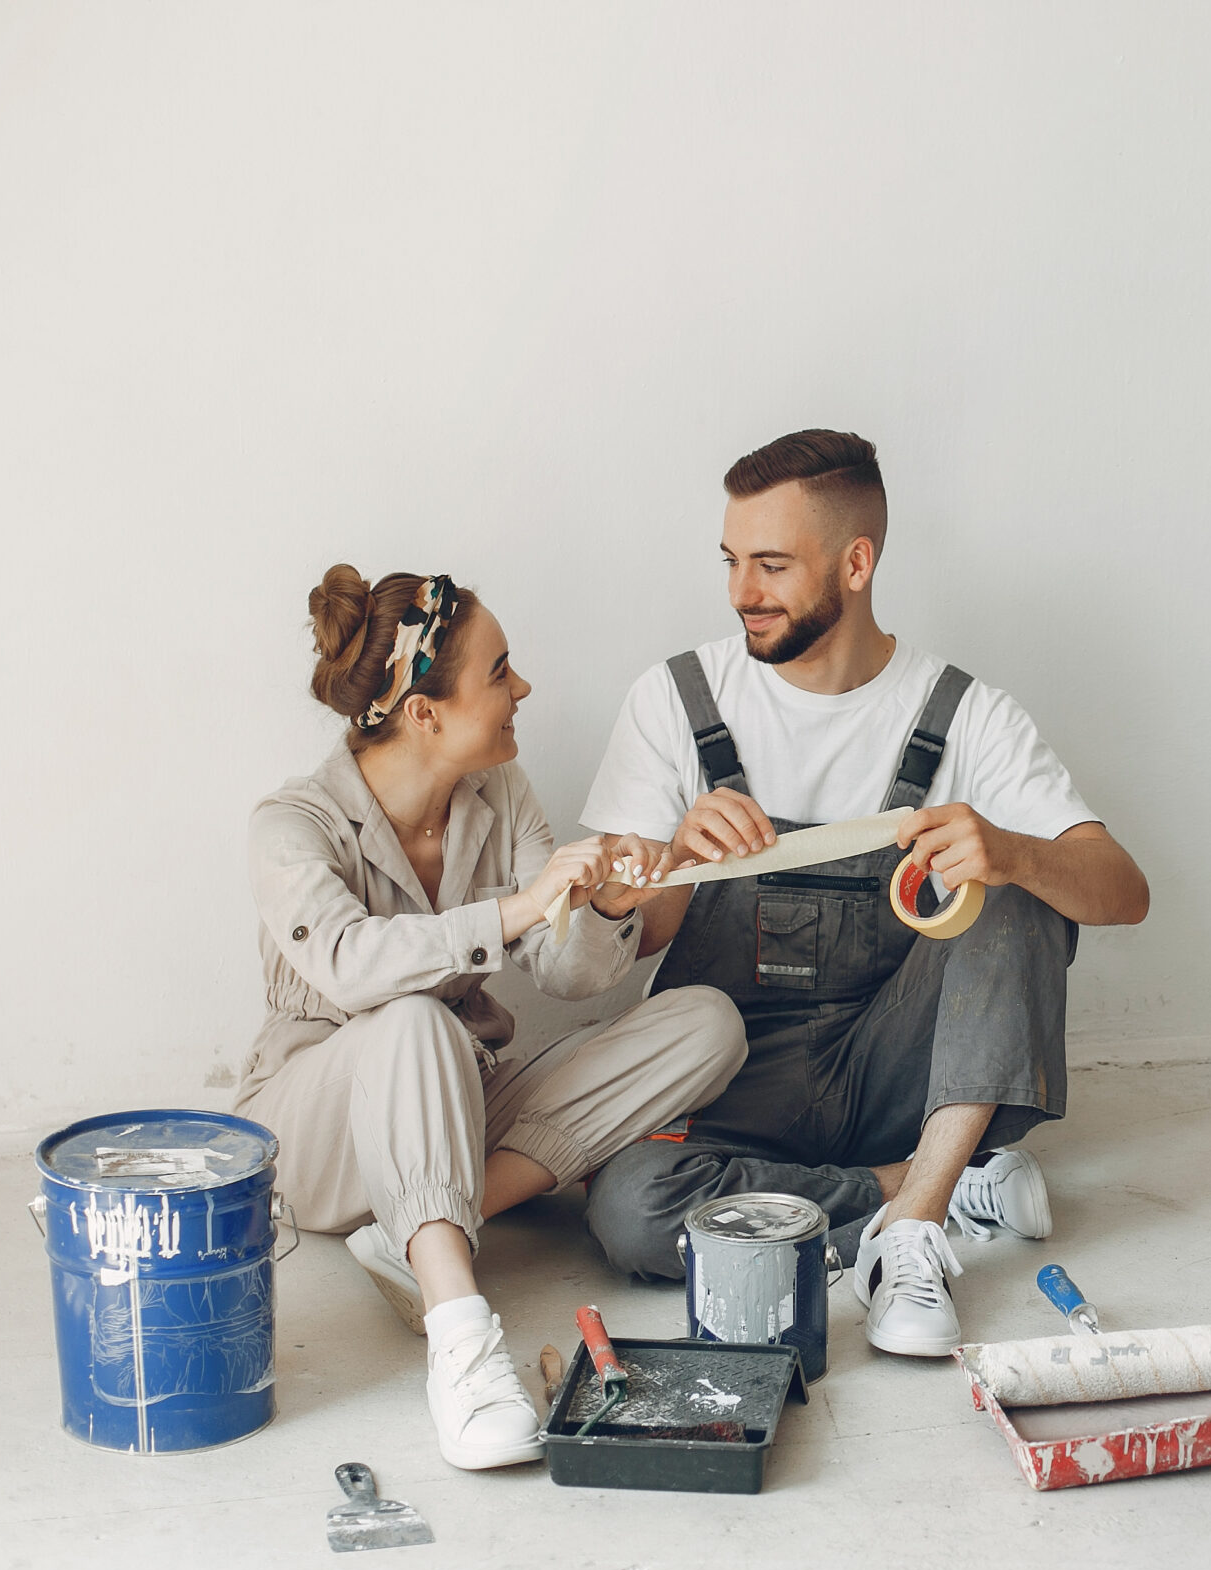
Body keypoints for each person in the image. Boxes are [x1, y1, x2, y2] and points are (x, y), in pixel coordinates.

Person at [578, 430, 1149, 1357]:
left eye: (770, 565)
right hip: (730, 1078)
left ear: (856, 562)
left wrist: (1007, 849)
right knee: (630, 1208)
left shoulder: (966, 714)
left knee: (1014, 878)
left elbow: (1124, 889)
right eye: (730, 561)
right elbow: (632, 938)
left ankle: (911, 1232)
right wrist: (672, 860)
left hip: (900, 1068)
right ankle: (930, 1180)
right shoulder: (675, 699)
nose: (740, 593)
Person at [236, 565, 748, 1468]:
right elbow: (356, 968)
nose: (523, 688)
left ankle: (415, 1231)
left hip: (458, 1097)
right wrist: (516, 909)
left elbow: (567, 972)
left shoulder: (499, 795)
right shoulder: (293, 824)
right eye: (499, 670)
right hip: (314, 1132)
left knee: (707, 1020)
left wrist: (614, 904)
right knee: (410, 1019)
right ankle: (462, 1345)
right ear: (424, 713)